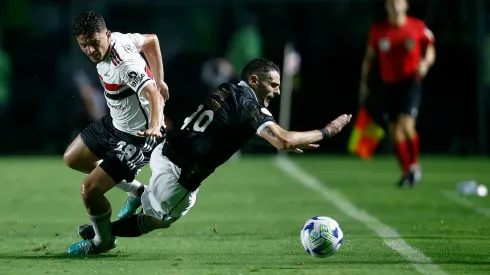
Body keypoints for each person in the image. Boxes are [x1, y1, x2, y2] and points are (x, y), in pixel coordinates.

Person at [74, 58, 352, 255]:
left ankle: (136, 195)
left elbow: (229, 131)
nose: (277, 91)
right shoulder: (249, 106)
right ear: (254, 81)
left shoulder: (229, 88)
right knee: (158, 220)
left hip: (165, 151)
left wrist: (271, 142)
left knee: (150, 197)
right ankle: (104, 235)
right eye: (273, 84)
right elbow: (284, 139)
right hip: (180, 178)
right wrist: (327, 131)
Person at [65, 11, 168, 255]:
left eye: (94, 42)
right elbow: (152, 40)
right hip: (115, 122)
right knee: (74, 158)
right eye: (84, 45)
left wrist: (154, 125)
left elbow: (152, 94)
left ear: (107, 35)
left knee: (89, 191)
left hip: (137, 137)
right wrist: (161, 79)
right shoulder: (120, 38)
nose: (90, 50)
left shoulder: (124, 63)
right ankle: (138, 192)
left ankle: (103, 241)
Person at [359, 0, 436, 187]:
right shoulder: (378, 30)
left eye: (398, 2)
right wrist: (364, 83)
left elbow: (430, 50)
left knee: (406, 126)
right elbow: (369, 58)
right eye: (391, 2)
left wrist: (425, 64)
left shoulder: (417, 26)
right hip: (389, 86)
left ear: (406, 5)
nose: (395, 5)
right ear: (386, 5)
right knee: (394, 132)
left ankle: (414, 165)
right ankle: (407, 172)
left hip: (410, 83)